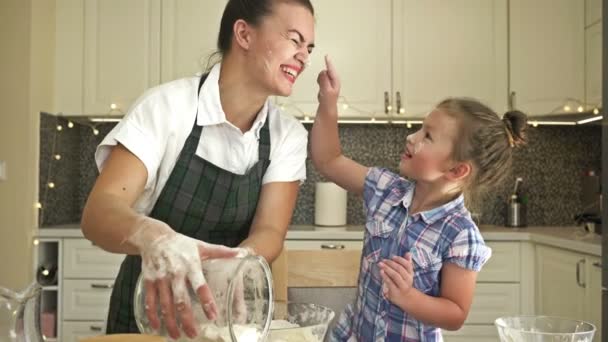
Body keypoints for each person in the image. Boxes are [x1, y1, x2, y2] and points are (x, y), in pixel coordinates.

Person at [80, 0, 315, 339]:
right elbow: (99, 213)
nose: (304, 56)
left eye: (309, 47)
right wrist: (154, 238)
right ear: (244, 34)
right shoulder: (166, 107)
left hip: (225, 314)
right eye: (294, 39)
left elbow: (270, 230)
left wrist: (234, 264)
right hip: (147, 313)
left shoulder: (286, 135)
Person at [312, 56, 527, 341]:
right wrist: (328, 102)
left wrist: (408, 297)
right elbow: (328, 160)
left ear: (457, 169)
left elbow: (455, 313)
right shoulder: (386, 189)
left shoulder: (461, 235)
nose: (411, 138)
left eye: (428, 136)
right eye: (420, 128)